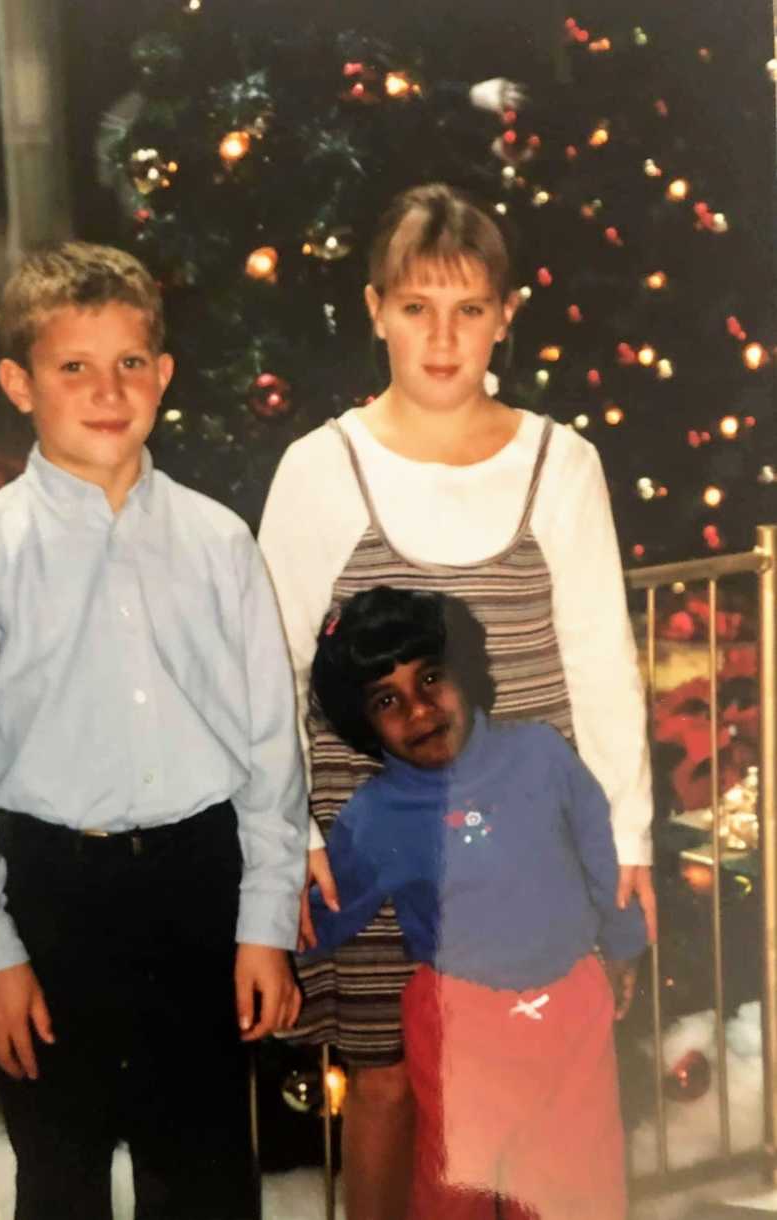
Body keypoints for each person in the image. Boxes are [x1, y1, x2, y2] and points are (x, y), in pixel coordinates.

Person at [258, 182, 655, 1219]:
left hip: (524, 846)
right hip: (366, 838)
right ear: (376, 307)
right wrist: (286, 831)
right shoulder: (320, 470)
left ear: (505, 315)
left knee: (535, 1083)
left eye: (468, 307)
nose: (443, 335)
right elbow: (261, 671)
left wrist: (630, 840)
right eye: (417, 306)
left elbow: (602, 663)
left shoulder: (560, 466)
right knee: (387, 1086)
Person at [0, 241, 307, 1220]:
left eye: (130, 361)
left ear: (163, 375)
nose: (106, 388)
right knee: (61, 1173)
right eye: (72, 365)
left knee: (207, 1173)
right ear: (18, 381)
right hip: (51, 898)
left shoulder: (219, 543)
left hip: (196, 889)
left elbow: (269, 750)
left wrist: (263, 920)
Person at [306, 585, 646, 1220]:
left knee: (578, 1179)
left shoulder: (540, 754)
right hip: (457, 1020)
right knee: (458, 1183)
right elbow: (323, 911)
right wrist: (266, 955)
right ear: (364, 723)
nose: (421, 710)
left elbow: (603, 853)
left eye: (432, 678)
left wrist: (623, 943)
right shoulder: (375, 815)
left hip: (570, 1003)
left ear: (463, 671)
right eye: (388, 700)